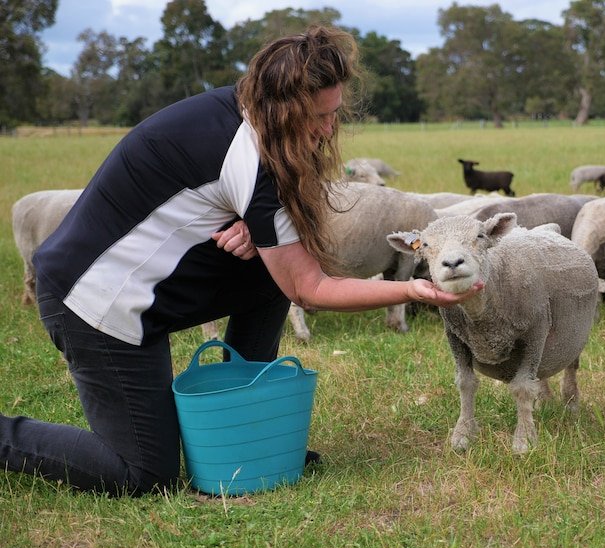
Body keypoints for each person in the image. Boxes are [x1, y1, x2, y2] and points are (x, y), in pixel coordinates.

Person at [0, 26, 482, 497]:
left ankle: (245, 427)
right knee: (143, 472)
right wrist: (415, 290)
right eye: (319, 116)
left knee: (269, 268)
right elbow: (309, 289)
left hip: (135, 290)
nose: (330, 127)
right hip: (90, 304)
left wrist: (256, 227)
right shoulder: (253, 160)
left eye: (335, 112)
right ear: (286, 107)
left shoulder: (243, 108)